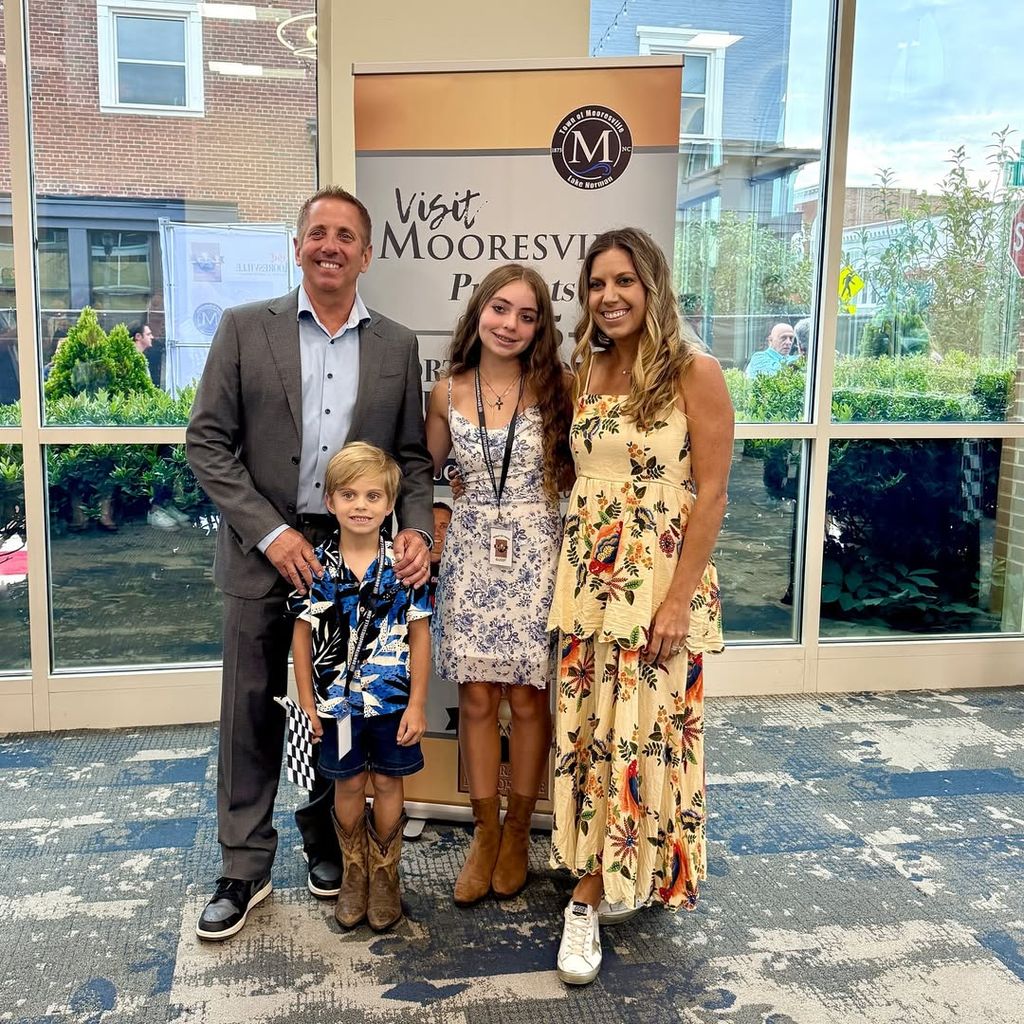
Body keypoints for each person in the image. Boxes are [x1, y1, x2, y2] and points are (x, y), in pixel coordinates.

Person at [186, 185, 434, 942]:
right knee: (253, 710)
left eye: (346, 235)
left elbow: (414, 459)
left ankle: (328, 839)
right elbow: (207, 443)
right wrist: (270, 532)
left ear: (366, 253)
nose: (330, 245)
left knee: (343, 704)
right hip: (266, 553)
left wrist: (417, 529)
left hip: (358, 559)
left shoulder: (396, 345)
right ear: (296, 247)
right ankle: (244, 866)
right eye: (317, 233)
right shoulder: (241, 328)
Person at [547, 228, 733, 985]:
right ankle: (612, 868)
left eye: (624, 281)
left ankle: (591, 897)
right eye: (596, 284)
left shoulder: (696, 370)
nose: (610, 296)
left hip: (656, 588)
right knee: (592, 731)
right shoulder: (582, 373)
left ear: (653, 287)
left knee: (644, 732)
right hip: (588, 585)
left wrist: (679, 601)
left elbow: (712, 492)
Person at [425, 263, 573, 906]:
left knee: (528, 701)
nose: (510, 324)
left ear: (539, 327)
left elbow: (580, 469)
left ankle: (518, 832)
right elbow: (423, 471)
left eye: (526, 314)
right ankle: (483, 834)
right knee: (478, 699)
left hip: (539, 548)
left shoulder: (559, 386)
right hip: (471, 551)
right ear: (478, 310)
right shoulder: (446, 388)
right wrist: (434, 507)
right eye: (500, 308)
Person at [289, 442, 431, 932]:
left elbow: (420, 635)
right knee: (347, 783)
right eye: (348, 495)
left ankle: (386, 874)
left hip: (392, 703)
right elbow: (303, 640)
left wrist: (417, 704)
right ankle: (354, 872)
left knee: (390, 782)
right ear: (329, 502)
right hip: (339, 707)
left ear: (390, 504)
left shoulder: (404, 567)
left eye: (373, 496)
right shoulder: (316, 568)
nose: (361, 506)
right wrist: (308, 704)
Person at [428, 500, 452, 606]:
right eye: (431, 525)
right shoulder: (408, 567)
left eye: (443, 526)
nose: (436, 532)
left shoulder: (461, 571)